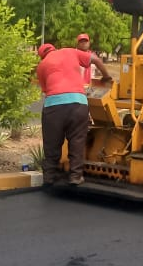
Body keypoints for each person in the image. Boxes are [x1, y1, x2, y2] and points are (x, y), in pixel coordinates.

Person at [36, 43, 113, 186]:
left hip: (54, 107)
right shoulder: (70, 52)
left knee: (51, 143)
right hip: (78, 104)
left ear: (42, 55)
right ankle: (75, 176)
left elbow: (46, 90)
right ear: (54, 49)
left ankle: (49, 177)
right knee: (77, 141)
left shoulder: (41, 66)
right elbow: (95, 59)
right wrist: (106, 77)